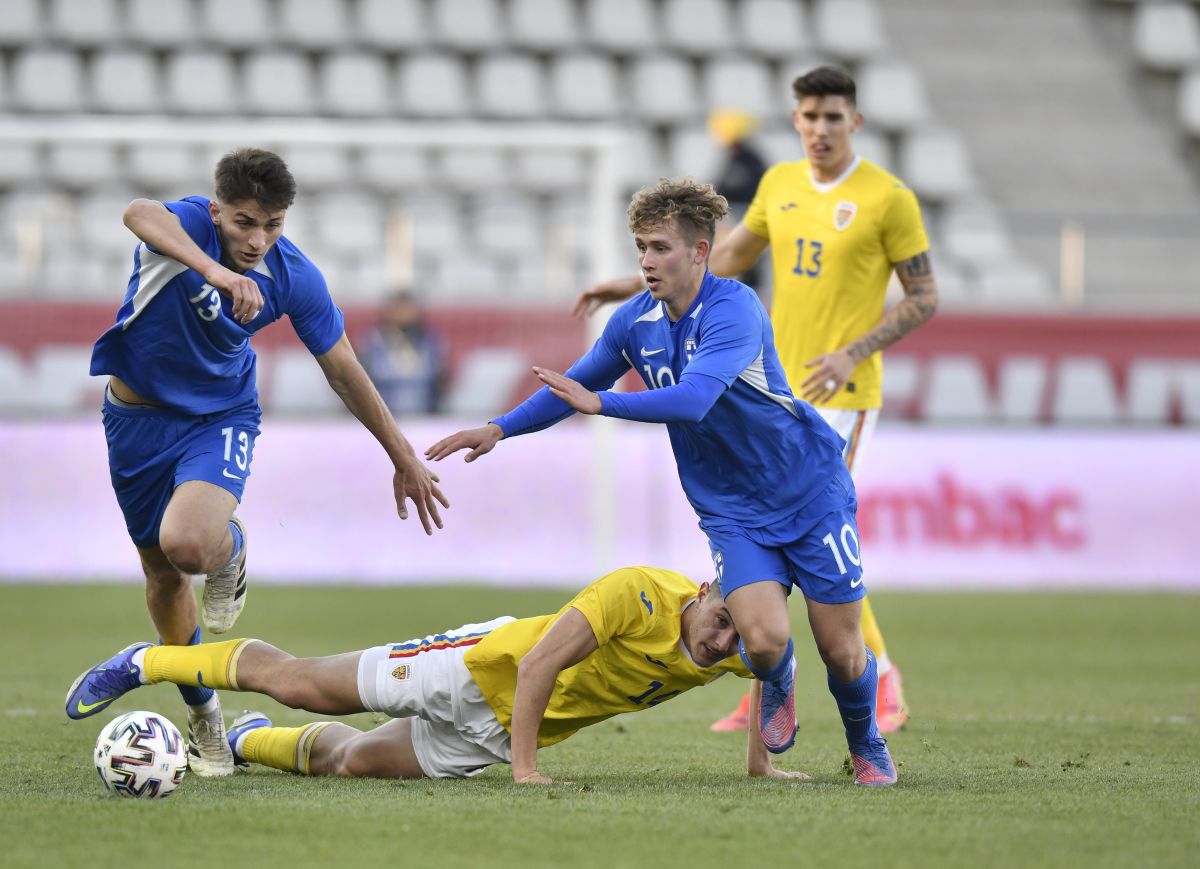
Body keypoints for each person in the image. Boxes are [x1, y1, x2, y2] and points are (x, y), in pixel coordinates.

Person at [427, 178, 898, 786]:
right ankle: (778, 673)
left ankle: (865, 743)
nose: (646, 261)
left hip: (808, 491)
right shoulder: (634, 322)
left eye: (660, 248)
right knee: (763, 639)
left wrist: (605, 407)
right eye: (641, 248)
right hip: (731, 508)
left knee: (841, 649)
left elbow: (697, 398)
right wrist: (499, 428)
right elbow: (574, 386)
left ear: (700, 252)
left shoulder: (736, 309)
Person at [573, 66, 939, 736]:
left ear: (854, 121)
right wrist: (633, 283)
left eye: (832, 116)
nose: (820, 128)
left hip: (843, 390)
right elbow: (727, 255)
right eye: (808, 116)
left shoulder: (890, 199)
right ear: (795, 120)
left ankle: (880, 680)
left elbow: (925, 297)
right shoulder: (779, 183)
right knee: (768, 535)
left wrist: (854, 351)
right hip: (772, 387)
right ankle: (769, 667)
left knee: (818, 529)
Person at [86, 148, 450, 777]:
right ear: (216, 209)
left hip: (220, 416)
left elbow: (342, 369)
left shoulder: (294, 277)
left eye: (273, 224)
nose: (258, 240)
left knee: (190, 546)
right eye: (245, 222)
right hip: (134, 422)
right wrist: (216, 273)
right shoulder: (186, 229)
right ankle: (203, 716)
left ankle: (228, 547)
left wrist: (403, 456)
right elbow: (136, 210)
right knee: (163, 576)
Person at [65, 566, 805, 784]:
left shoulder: (746, 642)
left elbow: (775, 673)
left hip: (496, 732)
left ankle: (252, 740)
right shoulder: (637, 591)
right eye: (724, 619)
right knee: (298, 680)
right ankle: (146, 660)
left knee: (350, 760)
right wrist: (524, 770)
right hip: (474, 668)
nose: (726, 641)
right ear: (709, 586)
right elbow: (543, 661)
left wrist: (761, 765)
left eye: (742, 633)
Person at [357, 289, 447, 416]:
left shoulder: (430, 341)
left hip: (424, 414)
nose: (403, 313)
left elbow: (436, 380)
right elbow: (364, 379)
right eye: (398, 308)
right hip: (382, 414)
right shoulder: (372, 341)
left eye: (407, 308)